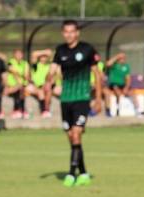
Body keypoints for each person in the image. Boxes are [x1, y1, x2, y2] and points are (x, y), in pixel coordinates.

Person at [46, 20, 103, 187]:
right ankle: (84, 173)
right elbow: (52, 71)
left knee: (77, 134)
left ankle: (71, 174)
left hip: (82, 98)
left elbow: (97, 75)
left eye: (72, 31)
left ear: (77, 33)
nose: (69, 34)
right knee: (72, 138)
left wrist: (98, 99)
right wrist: (48, 80)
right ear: (63, 33)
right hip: (66, 99)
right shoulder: (60, 50)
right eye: (66, 32)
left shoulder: (87, 49)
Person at [27, 49, 53, 117]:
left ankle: (46, 110)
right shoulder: (36, 65)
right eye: (42, 57)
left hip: (44, 87)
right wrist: (45, 52)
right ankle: (43, 110)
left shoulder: (49, 66)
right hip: (34, 86)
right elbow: (34, 54)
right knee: (40, 92)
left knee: (48, 91)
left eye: (45, 57)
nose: (44, 58)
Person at [5, 49, 30, 119]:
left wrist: (22, 77)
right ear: (14, 55)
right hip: (12, 86)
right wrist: (21, 77)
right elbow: (14, 73)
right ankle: (18, 109)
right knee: (19, 88)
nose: (19, 56)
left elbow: (27, 76)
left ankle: (20, 110)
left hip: (23, 85)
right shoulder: (10, 62)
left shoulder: (25, 63)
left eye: (20, 54)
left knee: (21, 88)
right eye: (17, 54)